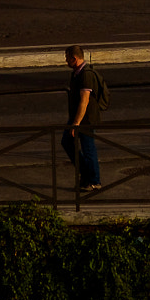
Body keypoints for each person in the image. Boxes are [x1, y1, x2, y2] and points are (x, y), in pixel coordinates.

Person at [62, 45, 103, 193]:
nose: (66, 61)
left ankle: (94, 181)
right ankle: (86, 175)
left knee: (88, 148)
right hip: (77, 117)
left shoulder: (85, 74)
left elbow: (84, 101)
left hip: (85, 119)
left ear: (74, 58)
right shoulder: (76, 73)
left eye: (67, 58)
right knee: (67, 142)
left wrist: (76, 123)